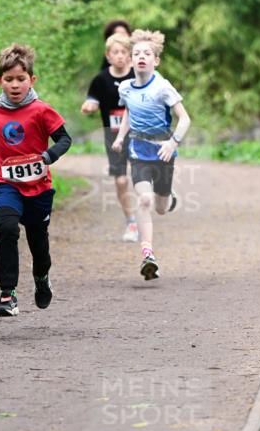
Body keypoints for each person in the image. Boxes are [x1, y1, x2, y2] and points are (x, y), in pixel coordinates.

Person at [0, 43, 72, 317]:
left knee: (38, 244)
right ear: (0, 80)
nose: (15, 85)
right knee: (8, 227)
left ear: (31, 80)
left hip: (38, 187)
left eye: (21, 79)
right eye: (9, 79)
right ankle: (8, 294)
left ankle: (41, 279)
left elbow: (64, 139)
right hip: (7, 181)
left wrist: (48, 156)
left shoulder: (41, 110)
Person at [112, 29, 191, 280]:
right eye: (136, 53)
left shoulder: (162, 87)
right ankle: (148, 254)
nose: (141, 57)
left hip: (164, 153)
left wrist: (173, 142)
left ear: (156, 60)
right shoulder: (125, 88)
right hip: (138, 151)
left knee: (160, 207)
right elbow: (128, 114)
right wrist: (121, 136)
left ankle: (168, 197)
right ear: (131, 60)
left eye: (147, 53)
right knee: (144, 201)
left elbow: (185, 119)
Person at [81, 32, 138, 242]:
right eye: (116, 52)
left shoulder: (138, 75)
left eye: (124, 52)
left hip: (139, 134)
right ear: (108, 55)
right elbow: (92, 100)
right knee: (122, 180)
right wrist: (89, 106)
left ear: (130, 55)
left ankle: (149, 205)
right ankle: (131, 221)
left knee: (143, 175)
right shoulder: (101, 79)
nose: (120, 56)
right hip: (113, 137)